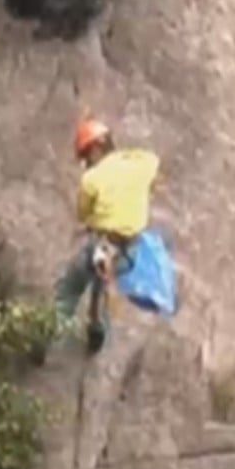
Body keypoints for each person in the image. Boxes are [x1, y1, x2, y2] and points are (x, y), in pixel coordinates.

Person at [53, 116, 161, 352]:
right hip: (129, 250)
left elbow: (83, 215)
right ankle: (97, 331)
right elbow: (153, 162)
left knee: (69, 288)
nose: (85, 162)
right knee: (104, 285)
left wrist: (95, 221)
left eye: (85, 156)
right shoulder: (141, 165)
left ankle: (47, 335)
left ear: (95, 150)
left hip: (104, 244)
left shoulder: (92, 179)